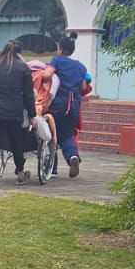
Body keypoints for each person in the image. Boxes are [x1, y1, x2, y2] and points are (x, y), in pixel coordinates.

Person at [0, 39, 36, 187]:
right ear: (20, 52)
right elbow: (28, 94)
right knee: (17, 143)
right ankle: (20, 173)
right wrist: (32, 115)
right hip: (13, 112)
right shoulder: (23, 68)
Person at [48, 34, 91, 178]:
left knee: (51, 136)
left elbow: (47, 75)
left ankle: (51, 169)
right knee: (67, 136)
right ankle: (72, 156)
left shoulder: (57, 61)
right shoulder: (80, 66)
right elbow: (83, 87)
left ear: (60, 49)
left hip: (57, 105)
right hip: (73, 106)